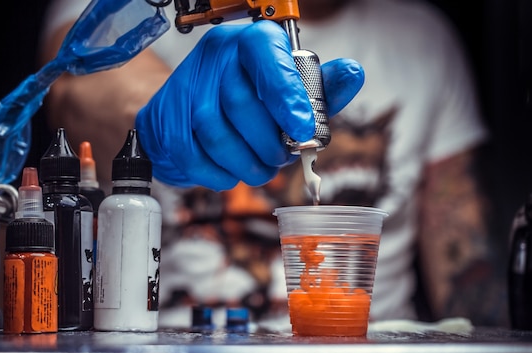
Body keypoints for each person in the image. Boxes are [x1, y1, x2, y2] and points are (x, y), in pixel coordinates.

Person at [39, 0, 509, 328]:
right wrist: (159, 114)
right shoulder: (149, 4)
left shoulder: (423, 38)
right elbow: (71, 86)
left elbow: (466, 271)